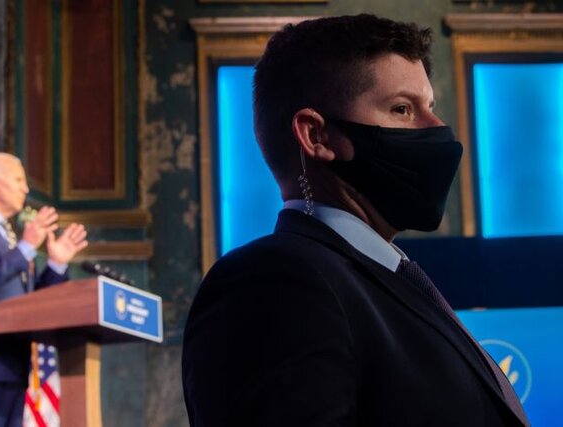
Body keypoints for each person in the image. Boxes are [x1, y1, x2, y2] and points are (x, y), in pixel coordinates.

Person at [182, 14, 529, 427]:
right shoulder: (273, 280)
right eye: (402, 109)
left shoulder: (388, 278)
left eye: (430, 107)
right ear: (316, 135)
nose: (438, 129)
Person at [0, 152, 88, 427]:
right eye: (18, 180)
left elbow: (31, 301)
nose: (25, 189)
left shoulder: (10, 237)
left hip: (14, 364)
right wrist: (25, 248)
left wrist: (57, 263)